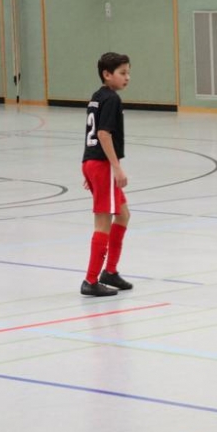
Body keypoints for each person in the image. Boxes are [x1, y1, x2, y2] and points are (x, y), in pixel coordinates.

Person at [81, 52, 134, 296]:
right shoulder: (112, 99)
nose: (127, 77)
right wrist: (116, 167)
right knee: (103, 222)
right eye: (122, 73)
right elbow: (103, 134)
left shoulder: (97, 96)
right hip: (101, 165)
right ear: (107, 74)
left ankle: (109, 272)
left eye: (128, 73)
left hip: (92, 163)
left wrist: (89, 168)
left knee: (123, 215)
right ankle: (90, 280)